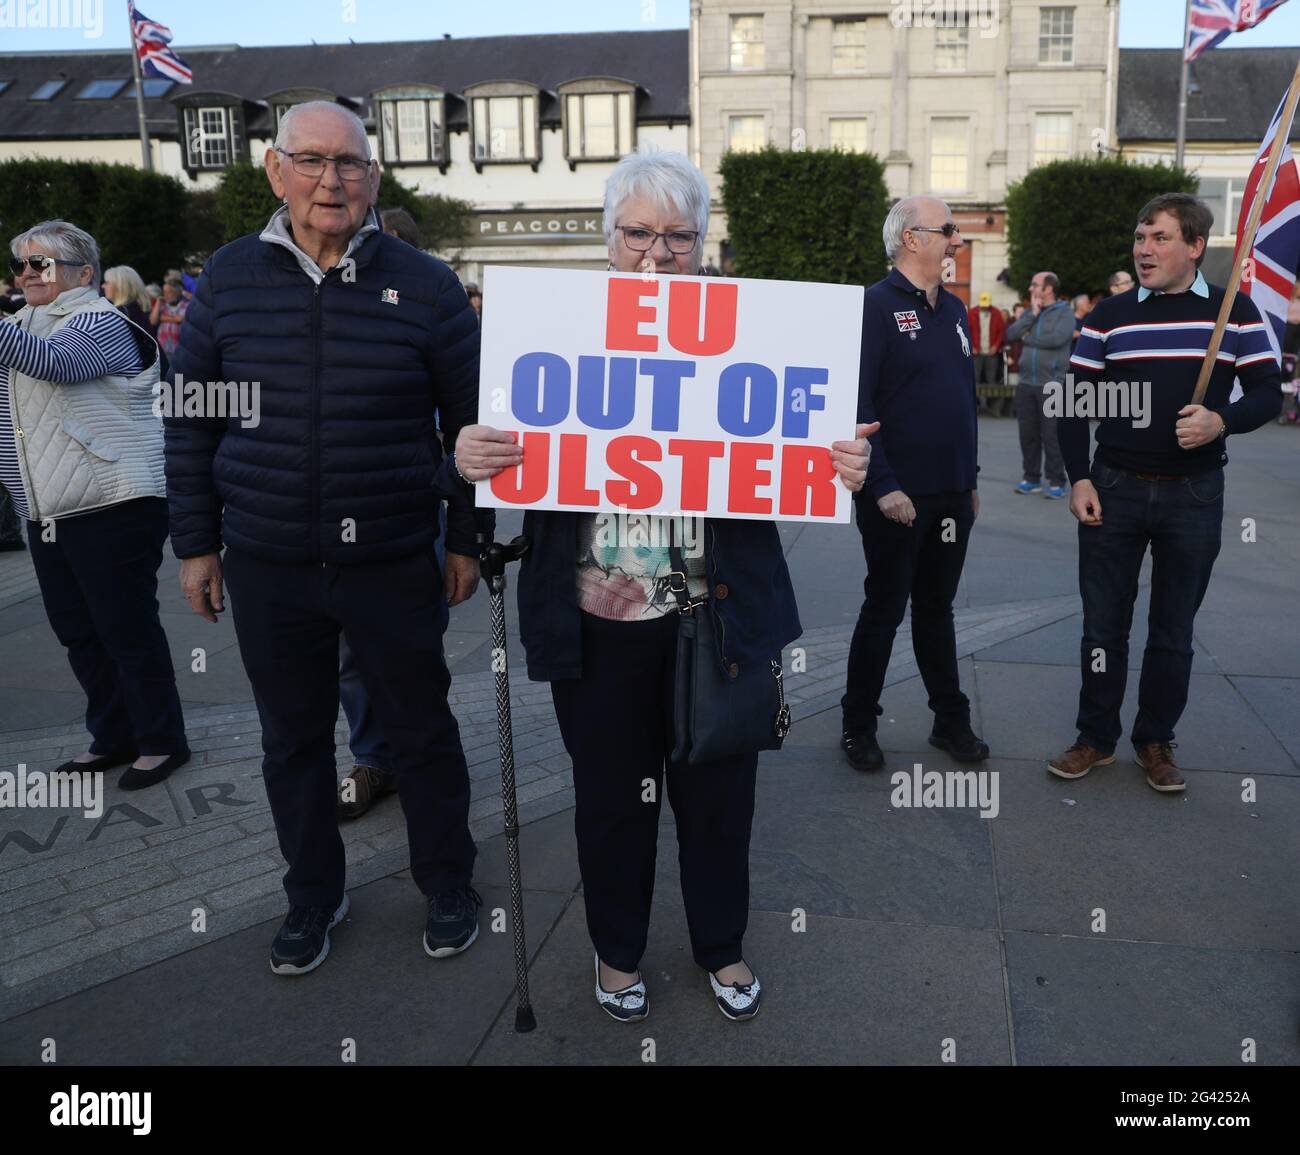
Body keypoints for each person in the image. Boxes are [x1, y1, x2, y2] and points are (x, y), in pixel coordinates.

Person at [455, 150, 871, 1023]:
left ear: (702, 241)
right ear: (609, 239)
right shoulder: (555, 327)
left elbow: (807, 448)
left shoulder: (759, 330)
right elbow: (501, 442)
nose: (658, 252)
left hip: (714, 621)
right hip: (596, 622)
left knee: (719, 800)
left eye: (678, 235)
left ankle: (721, 945)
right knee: (612, 803)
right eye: (639, 232)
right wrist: (469, 457)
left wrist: (846, 461)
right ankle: (618, 949)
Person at [166, 101, 492, 975]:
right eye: (310, 161)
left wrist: (465, 538)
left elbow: (474, 427)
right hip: (268, 559)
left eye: (349, 164)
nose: (330, 180)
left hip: (391, 554)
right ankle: (313, 894)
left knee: (422, 730)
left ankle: (449, 881)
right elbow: (191, 421)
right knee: (292, 741)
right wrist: (195, 544)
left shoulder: (424, 284)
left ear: (374, 180)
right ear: (276, 172)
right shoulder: (229, 278)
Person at [1052, 193, 1281, 792]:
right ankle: (1094, 737)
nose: (1144, 249)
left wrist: (1221, 420)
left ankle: (1155, 739)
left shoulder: (1237, 311)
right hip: (1113, 489)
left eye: (1159, 238)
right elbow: (1074, 406)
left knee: (1173, 630)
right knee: (1102, 628)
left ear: (1196, 247)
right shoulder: (1110, 315)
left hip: (1195, 495)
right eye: (1140, 238)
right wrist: (1078, 476)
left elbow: (1266, 392)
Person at [1, 220, 189, 787]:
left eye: (42, 263)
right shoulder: (19, 325)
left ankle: (161, 740)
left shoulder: (100, 321)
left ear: (84, 273)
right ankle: (113, 736)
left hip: (114, 502)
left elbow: (55, 363)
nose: (27, 273)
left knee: (125, 627)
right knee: (77, 631)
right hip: (48, 508)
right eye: (20, 264)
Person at [840, 196, 988, 774]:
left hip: (952, 493)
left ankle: (949, 720)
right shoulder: (874, 307)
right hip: (896, 494)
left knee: (938, 608)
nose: (957, 240)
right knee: (885, 606)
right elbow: (856, 403)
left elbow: (963, 404)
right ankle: (858, 724)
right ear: (912, 238)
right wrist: (882, 485)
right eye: (948, 230)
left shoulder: (953, 310)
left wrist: (968, 481)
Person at [1005, 271, 1072, 498]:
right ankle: (1031, 478)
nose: (1031, 289)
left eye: (1035, 285)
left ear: (1049, 289)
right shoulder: (1029, 312)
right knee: (1028, 435)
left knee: (1051, 436)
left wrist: (1028, 338)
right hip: (1026, 384)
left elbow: (1057, 340)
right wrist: (1031, 315)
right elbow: (1011, 333)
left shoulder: (1065, 312)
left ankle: (1056, 481)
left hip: (1052, 384)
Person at [968, 291, 1006, 412]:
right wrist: (971, 346)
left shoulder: (997, 313)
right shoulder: (972, 313)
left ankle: (992, 406)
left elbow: (1001, 332)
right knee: (975, 378)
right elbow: (967, 331)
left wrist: (996, 345)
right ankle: (975, 406)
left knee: (992, 379)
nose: (984, 306)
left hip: (991, 352)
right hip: (976, 352)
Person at [150, 274, 188, 357]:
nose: (165, 295)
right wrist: (158, 303)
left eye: (169, 292)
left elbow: (180, 319)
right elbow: (153, 321)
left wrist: (162, 318)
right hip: (163, 348)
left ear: (178, 292)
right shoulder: (162, 305)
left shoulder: (186, 305)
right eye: (164, 292)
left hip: (179, 349)